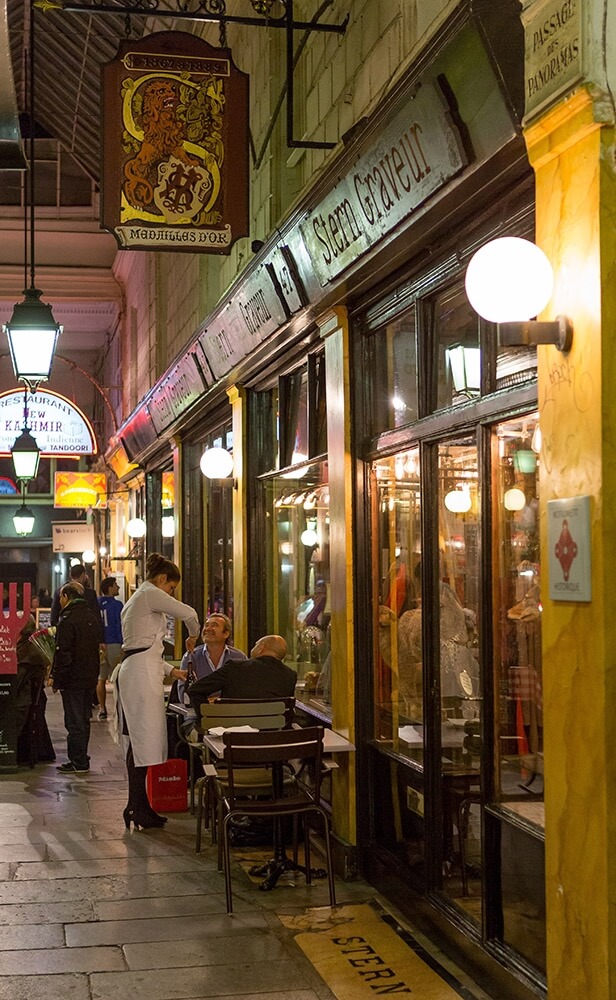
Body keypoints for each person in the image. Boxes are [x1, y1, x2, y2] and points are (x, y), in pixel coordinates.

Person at [116, 552, 200, 831]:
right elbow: (189, 613)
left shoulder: (136, 599)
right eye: (172, 587)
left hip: (138, 670)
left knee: (139, 741)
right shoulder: (150, 592)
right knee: (143, 740)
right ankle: (137, 806)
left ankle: (137, 804)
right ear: (163, 578)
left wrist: (172, 671)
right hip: (139, 675)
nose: (171, 593)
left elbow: (143, 647)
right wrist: (193, 634)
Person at [50, 581, 102, 775]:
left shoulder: (67, 619)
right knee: (84, 718)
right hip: (89, 676)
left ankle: (78, 761)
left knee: (74, 721)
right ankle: (82, 759)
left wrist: (57, 679)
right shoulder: (91, 616)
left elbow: (64, 653)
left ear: (65, 597)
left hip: (73, 678)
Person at [189, 634, 297, 716]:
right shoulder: (290, 676)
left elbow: (194, 690)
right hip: (273, 738)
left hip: (232, 736)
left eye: (256, 645)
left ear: (261, 648)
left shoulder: (235, 667)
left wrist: (208, 717)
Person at [97, 577, 123, 721]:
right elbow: (120, 625)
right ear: (109, 588)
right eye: (115, 585)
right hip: (114, 642)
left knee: (101, 678)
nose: (118, 588)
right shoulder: (117, 605)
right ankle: (120, 706)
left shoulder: (96, 603)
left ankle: (102, 708)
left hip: (100, 644)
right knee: (118, 676)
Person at [50, 564, 101, 630]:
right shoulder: (90, 593)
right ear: (83, 575)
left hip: (66, 629)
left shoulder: (59, 591)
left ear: (70, 575)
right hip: (86, 631)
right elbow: (96, 616)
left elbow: (54, 616)